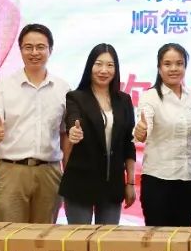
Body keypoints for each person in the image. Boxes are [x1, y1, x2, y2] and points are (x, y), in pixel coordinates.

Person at [0, 23, 69, 223]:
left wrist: (68, 171)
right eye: (28, 47)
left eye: (40, 47)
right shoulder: (4, 86)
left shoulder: (63, 89)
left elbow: (65, 134)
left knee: (43, 235)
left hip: (49, 172)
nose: (34, 52)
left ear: (50, 50)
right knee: (9, 235)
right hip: (11, 171)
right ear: (20, 50)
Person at [58, 44, 137, 225]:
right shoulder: (76, 97)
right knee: (79, 239)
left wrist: (130, 183)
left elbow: (128, 143)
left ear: (116, 69)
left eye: (110, 65)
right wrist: (73, 132)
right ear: (90, 67)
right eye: (98, 64)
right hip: (80, 183)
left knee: (107, 239)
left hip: (113, 185)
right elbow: (73, 120)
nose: (103, 70)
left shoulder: (124, 100)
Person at [134, 43, 191, 226]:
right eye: (167, 64)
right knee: (157, 239)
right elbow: (144, 124)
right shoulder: (150, 97)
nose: (174, 68)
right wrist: (141, 131)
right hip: (158, 181)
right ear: (159, 68)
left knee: (184, 238)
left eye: (179, 63)